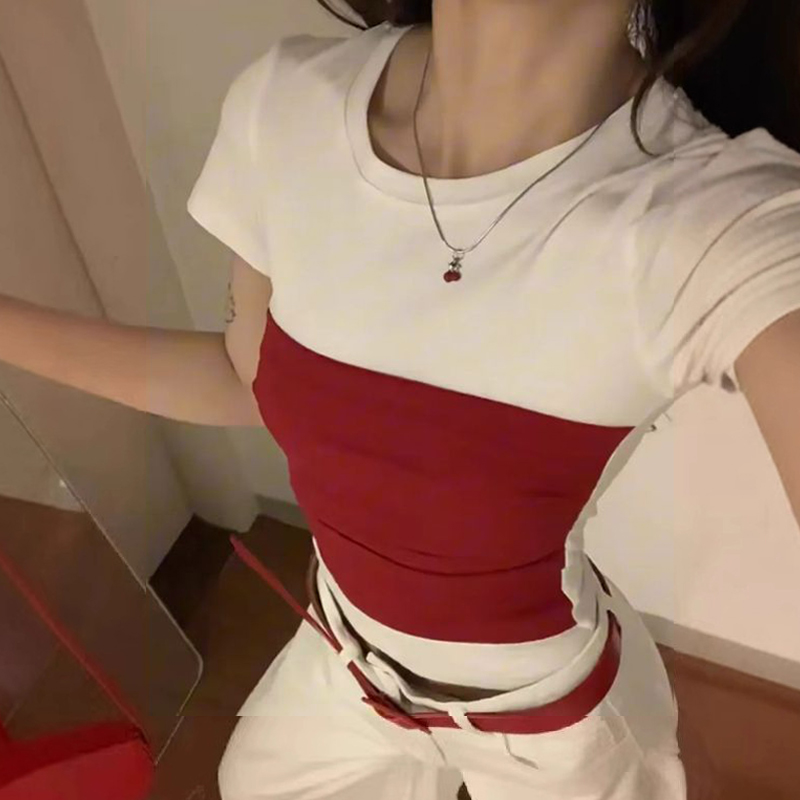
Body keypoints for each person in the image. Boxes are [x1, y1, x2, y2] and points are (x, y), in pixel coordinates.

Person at [1, 1, 799, 798]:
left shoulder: (720, 218)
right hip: (343, 664)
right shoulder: (287, 103)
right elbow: (246, 378)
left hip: (547, 726)